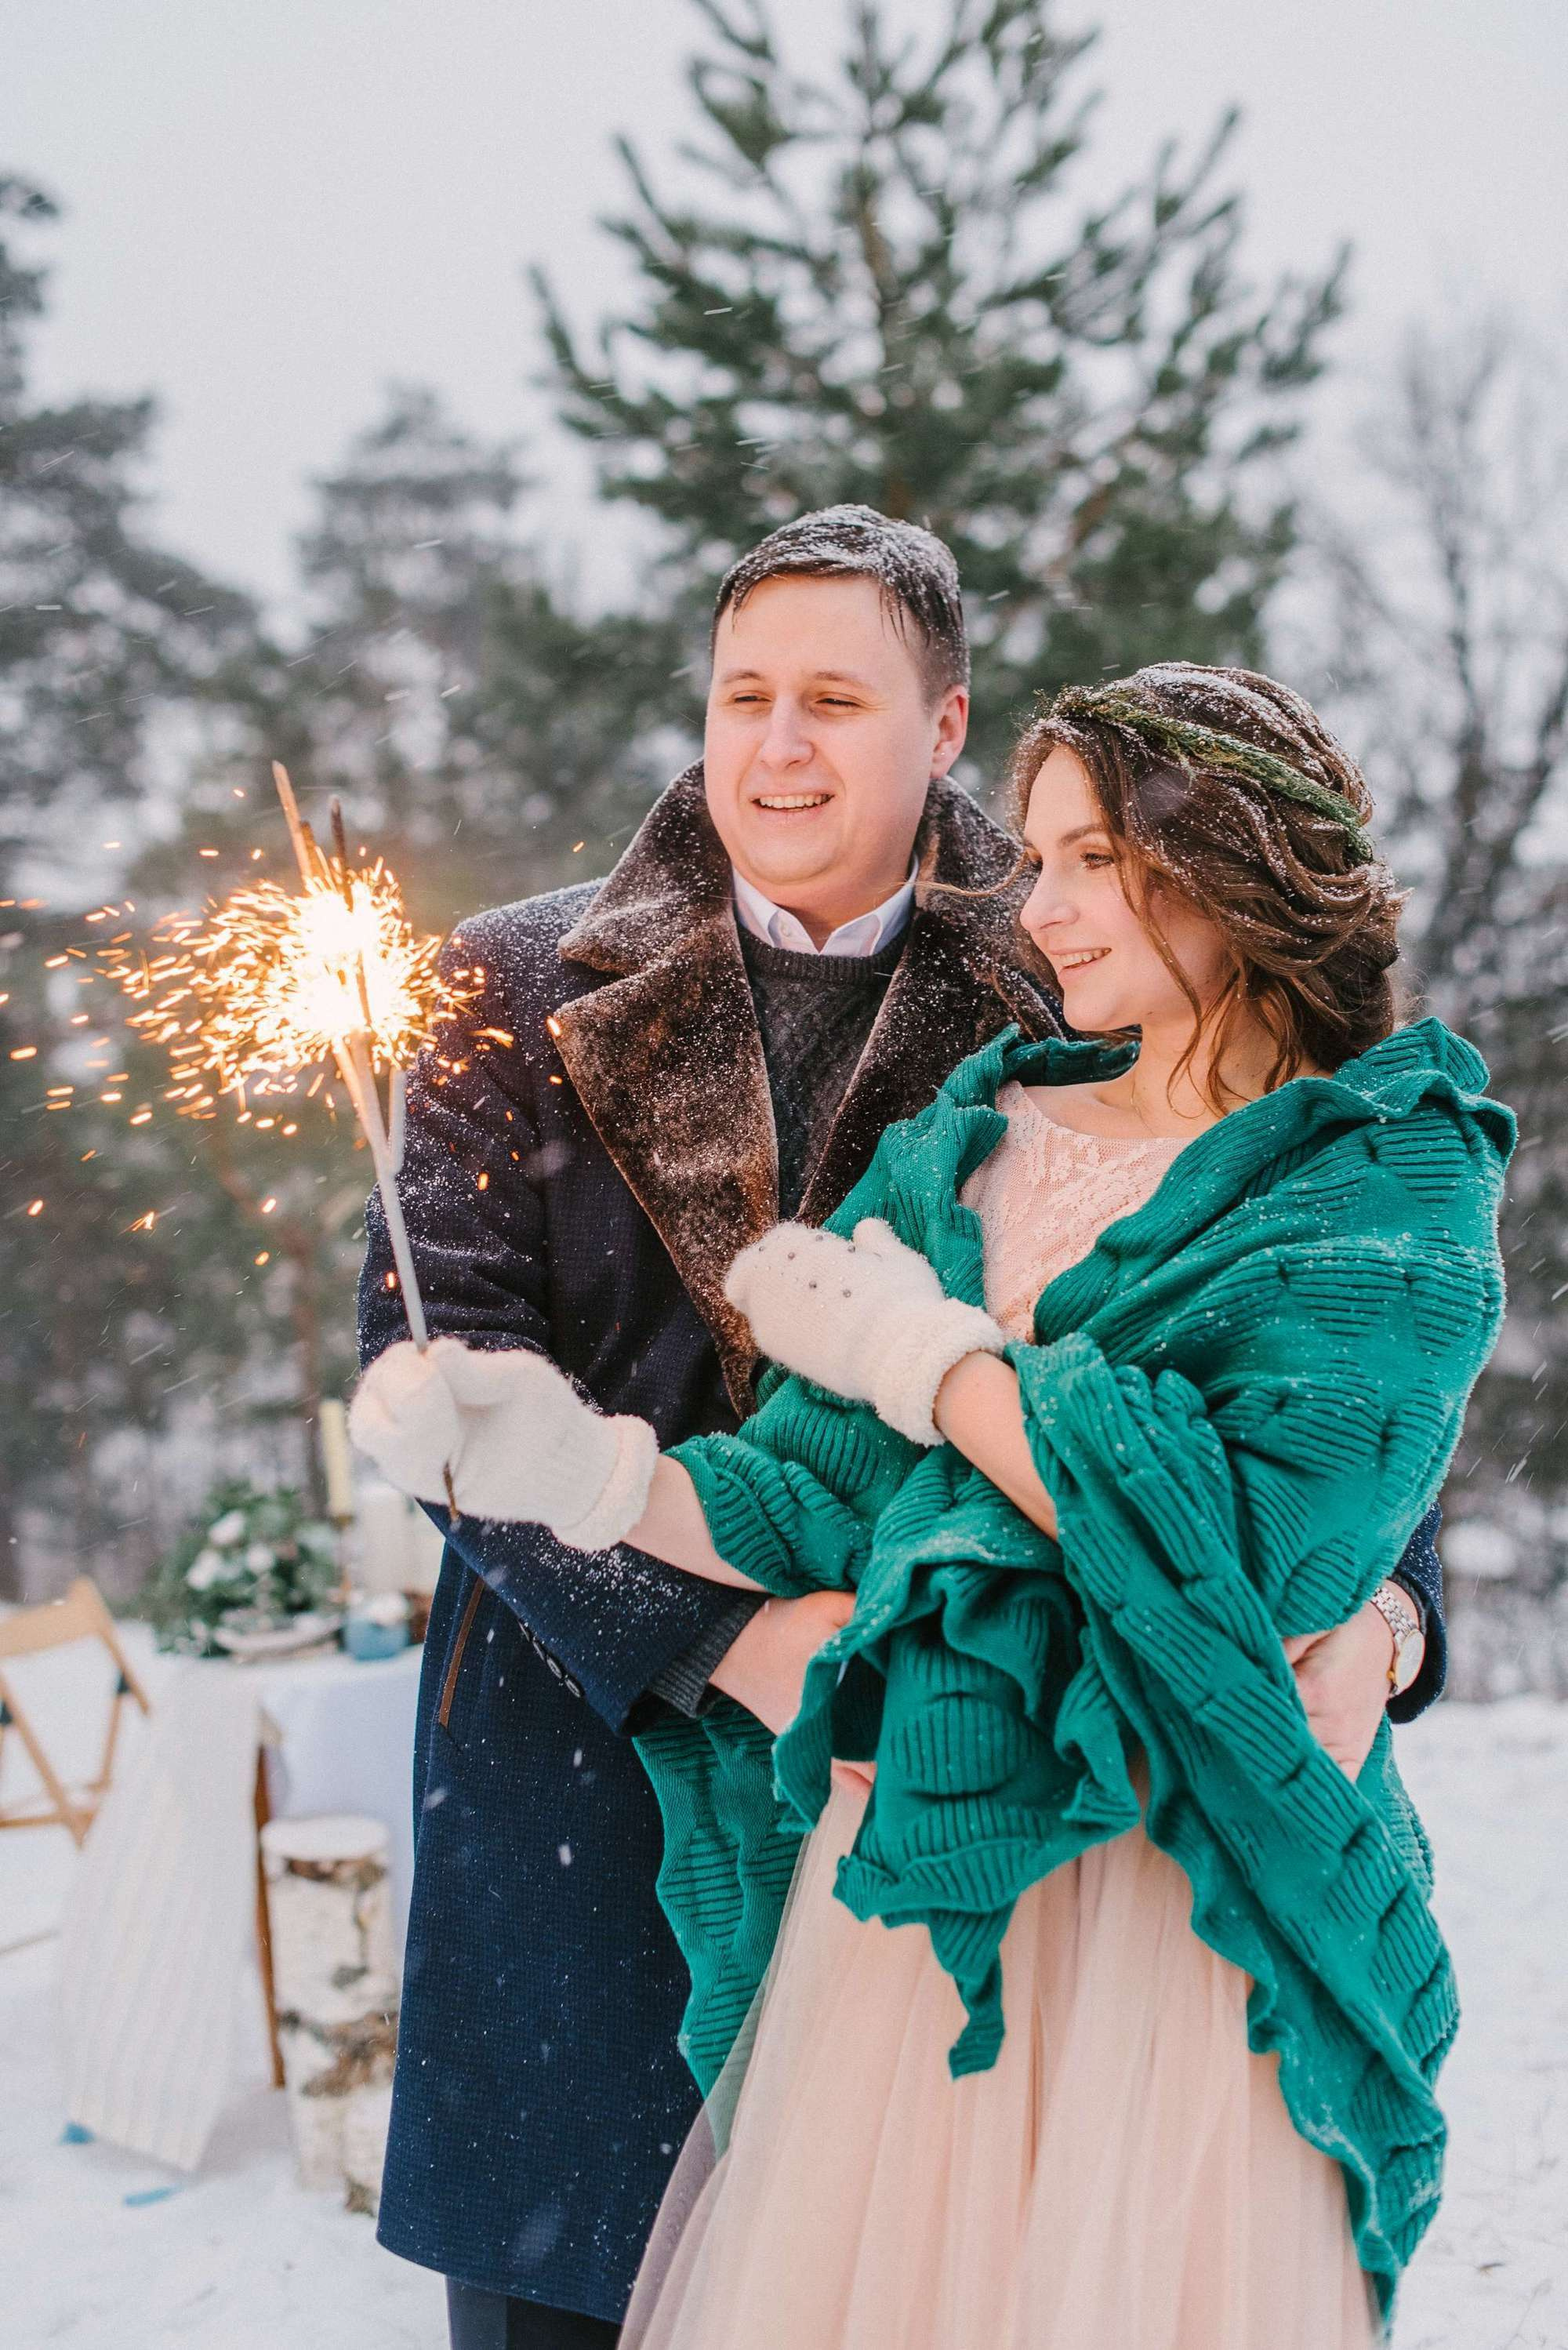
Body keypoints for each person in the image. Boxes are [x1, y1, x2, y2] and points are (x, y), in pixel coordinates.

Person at [354, 663, 1505, 2348]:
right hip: (916, 1891)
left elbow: (1251, 1548)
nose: (1039, 905)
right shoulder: (976, 1129)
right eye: (743, 691)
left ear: (1226, 861)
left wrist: (938, 1358)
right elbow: (822, 1488)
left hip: (1174, 1924)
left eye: (1087, 856)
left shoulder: (1381, 1167)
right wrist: (591, 1475)